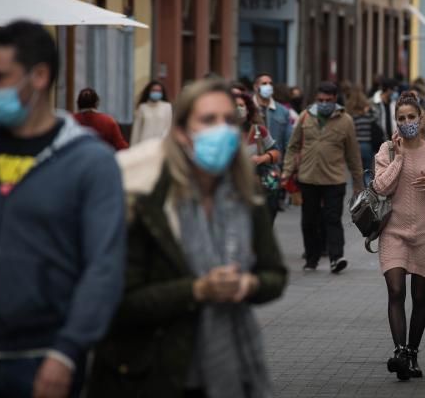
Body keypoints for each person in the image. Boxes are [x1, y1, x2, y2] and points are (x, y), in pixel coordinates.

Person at [87, 79, 287, 398]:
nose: (220, 130)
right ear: (181, 131)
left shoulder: (244, 194)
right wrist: (198, 290)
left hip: (230, 367)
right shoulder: (145, 195)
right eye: (208, 120)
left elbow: (274, 274)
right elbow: (118, 300)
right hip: (150, 371)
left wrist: (248, 285)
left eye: (228, 121)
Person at [0, 21, 125, 397]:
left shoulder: (89, 163)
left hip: (44, 361)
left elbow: (104, 266)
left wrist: (67, 351)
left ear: (41, 76)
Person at [372, 93, 425, 381]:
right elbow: (381, 187)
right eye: (401, 118)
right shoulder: (387, 150)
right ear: (396, 121)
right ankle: (399, 351)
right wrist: (400, 158)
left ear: (421, 118)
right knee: (395, 291)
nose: (407, 123)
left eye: (411, 117)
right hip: (393, 230)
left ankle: (413, 355)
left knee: (419, 297)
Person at [282, 81, 364, 273]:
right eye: (320, 100)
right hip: (308, 178)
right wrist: (286, 171)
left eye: (328, 100)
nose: (324, 103)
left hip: (334, 179)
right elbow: (292, 146)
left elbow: (353, 154)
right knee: (309, 220)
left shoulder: (346, 121)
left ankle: (336, 257)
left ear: (335, 99)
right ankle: (312, 258)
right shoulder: (305, 117)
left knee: (332, 219)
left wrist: (358, 183)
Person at [235, 91, 282, 220]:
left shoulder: (258, 130)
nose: (239, 109)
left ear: (248, 109)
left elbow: (276, 153)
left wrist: (261, 158)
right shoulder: (222, 132)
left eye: (241, 105)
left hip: (258, 186)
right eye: (235, 105)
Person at [252, 72, 292, 161]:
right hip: (252, 164)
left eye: (270, 84)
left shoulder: (283, 111)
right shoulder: (248, 108)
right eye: (264, 84)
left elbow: (289, 142)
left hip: (275, 165)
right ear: (255, 87)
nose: (268, 86)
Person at [346, 86, 383, 174]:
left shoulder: (350, 115)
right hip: (367, 146)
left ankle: (357, 187)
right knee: (367, 171)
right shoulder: (368, 113)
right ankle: (366, 187)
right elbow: (377, 118)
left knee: (355, 172)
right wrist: (369, 110)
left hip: (354, 146)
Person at [130, 80, 172, 145]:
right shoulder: (142, 107)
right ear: (149, 92)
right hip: (144, 145)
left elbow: (169, 128)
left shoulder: (167, 107)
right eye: (154, 90)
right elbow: (136, 131)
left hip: (160, 144)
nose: (156, 92)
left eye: (158, 91)